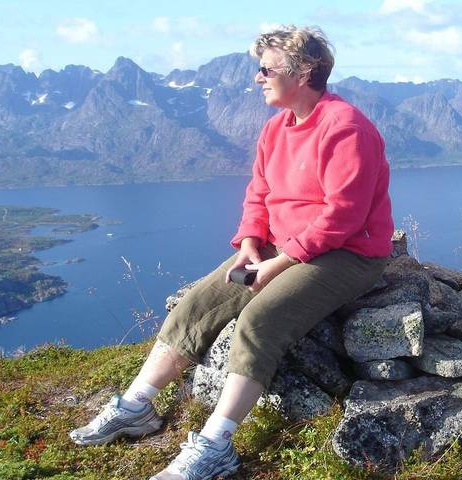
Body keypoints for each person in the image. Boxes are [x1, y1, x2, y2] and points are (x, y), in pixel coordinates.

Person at [69, 25, 394, 480]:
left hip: (349, 253)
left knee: (260, 322)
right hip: (279, 246)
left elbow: (343, 216)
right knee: (195, 306)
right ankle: (136, 406)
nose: (258, 78)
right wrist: (249, 245)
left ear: (303, 72)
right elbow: (258, 194)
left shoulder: (346, 128)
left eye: (266, 69)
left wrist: (279, 263)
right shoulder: (276, 128)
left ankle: (215, 445)